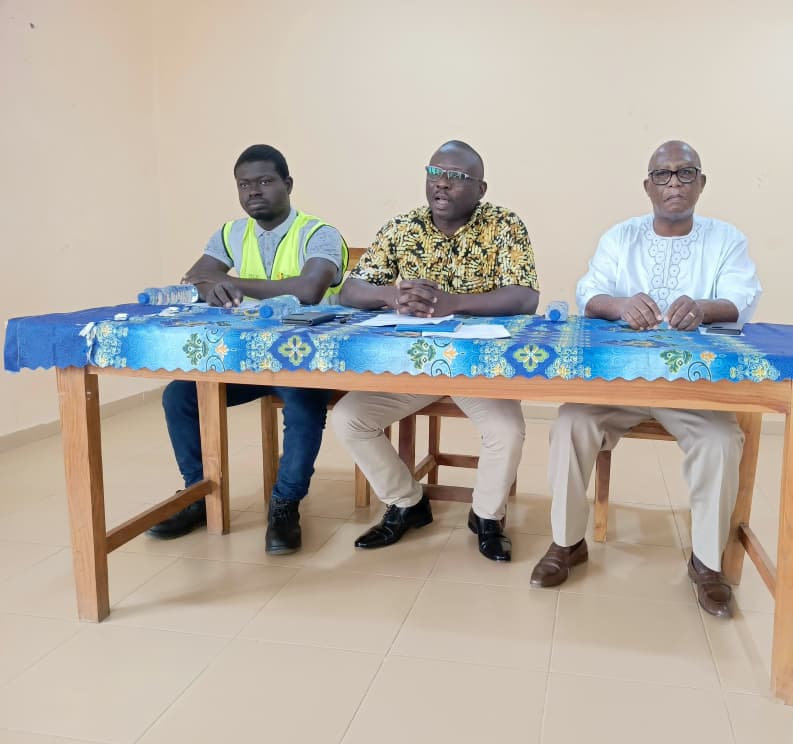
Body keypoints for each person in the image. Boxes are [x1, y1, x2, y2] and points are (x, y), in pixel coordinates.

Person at [530, 140, 762, 617]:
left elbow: (742, 299)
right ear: (647, 186)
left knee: (721, 440)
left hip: (692, 388)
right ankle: (567, 542)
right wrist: (618, 305)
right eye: (662, 175)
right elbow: (589, 291)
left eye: (684, 173)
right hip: (619, 383)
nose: (673, 183)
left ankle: (706, 561)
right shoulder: (621, 237)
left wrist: (703, 308)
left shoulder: (726, 240)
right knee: (571, 421)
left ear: (702, 183)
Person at [331, 140, 539, 562]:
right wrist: (392, 296)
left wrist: (453, 302)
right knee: (349, 418)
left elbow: (524, 298)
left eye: (457, 177)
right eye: (435, 172)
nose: (442, 183)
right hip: (410, 367)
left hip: (479, 369)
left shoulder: (504, 225)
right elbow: (348, 291)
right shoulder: (402, 227)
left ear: (481, 189)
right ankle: (407, 503)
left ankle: (486, 516)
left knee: (506, 431)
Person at [147, 144, 348, 555]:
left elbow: (310, 289)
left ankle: (285, 504)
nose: (253, 191)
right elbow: (195, 277)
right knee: (179, 396)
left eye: (264, 181)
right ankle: (199, 496)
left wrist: (232, 285)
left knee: (303, 403)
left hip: (305, 360)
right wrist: (208, 283)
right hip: (246, 359)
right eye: (244, 184)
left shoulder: (319, 233)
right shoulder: (230, 233)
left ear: (287, 184)